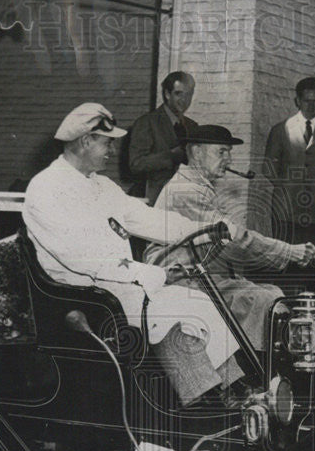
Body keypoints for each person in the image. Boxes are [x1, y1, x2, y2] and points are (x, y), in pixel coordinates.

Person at [23, 102, 247, 407]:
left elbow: (149, 219)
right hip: (81, 298)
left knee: (197, 302)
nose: (112, 151)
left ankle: (233, 393)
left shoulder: (102, 186)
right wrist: (149, 273)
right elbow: (81, 257)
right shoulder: (46, 188)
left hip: (116, 287)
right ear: (85, 141)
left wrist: (208, 228)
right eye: (107, 142)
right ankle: (204, 402)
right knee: (169, 313)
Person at [145, 124, 315, 351]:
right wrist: (289, 251)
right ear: (196, 152)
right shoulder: (185, 191)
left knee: (272, 296)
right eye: (221, 152)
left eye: (229, 152)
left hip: (199, 274)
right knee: (263, 301)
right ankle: (250, 373)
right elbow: (235, 239)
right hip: (180, 278)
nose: (228, 159)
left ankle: (256, 370)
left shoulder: (196, 187)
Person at [263, 77, 315, 249]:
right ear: (298, 101)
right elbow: (268, 167)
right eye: (307, 101)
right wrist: (286, 186)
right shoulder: (280, 129)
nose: (311, 106)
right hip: (286, 209)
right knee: (284, 258)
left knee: (311, 260)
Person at [126, 71, 198, 205]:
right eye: (178, 93)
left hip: (183, 201)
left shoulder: (193, 126)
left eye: (188, 94)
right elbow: (136, 164)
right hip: (152, 199)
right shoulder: (146, 122)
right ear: (167, 94)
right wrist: (171, 156)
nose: (184, 99)